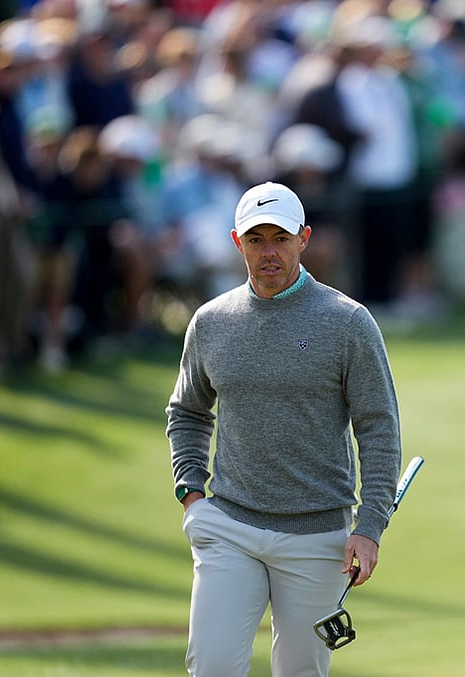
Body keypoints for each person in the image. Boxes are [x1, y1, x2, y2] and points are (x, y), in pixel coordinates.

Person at [166, 181, 402, 677]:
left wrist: (369, 527)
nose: (268, 252)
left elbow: (378, 429)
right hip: (230, 526)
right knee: (211, 667)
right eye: (256, 240)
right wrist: (191, 493)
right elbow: (187, 411)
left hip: (318, 536)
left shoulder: (348, 322)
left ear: (304, 239)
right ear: (237, 242)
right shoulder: (211, 322)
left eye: (280, 238)